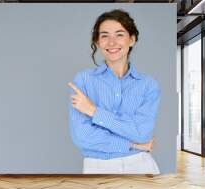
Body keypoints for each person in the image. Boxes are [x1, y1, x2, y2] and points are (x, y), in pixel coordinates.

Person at [68, 9, 160, 174]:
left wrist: (94, 111)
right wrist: (133, 145)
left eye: (119, 34)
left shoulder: (148, 85)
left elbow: (141, 133)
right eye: (104, 36)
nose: (112, 42)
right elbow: (82, 137)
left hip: (140, 165)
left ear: (132, 40)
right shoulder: (83, 81)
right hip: (97, 167)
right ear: (97, 42)